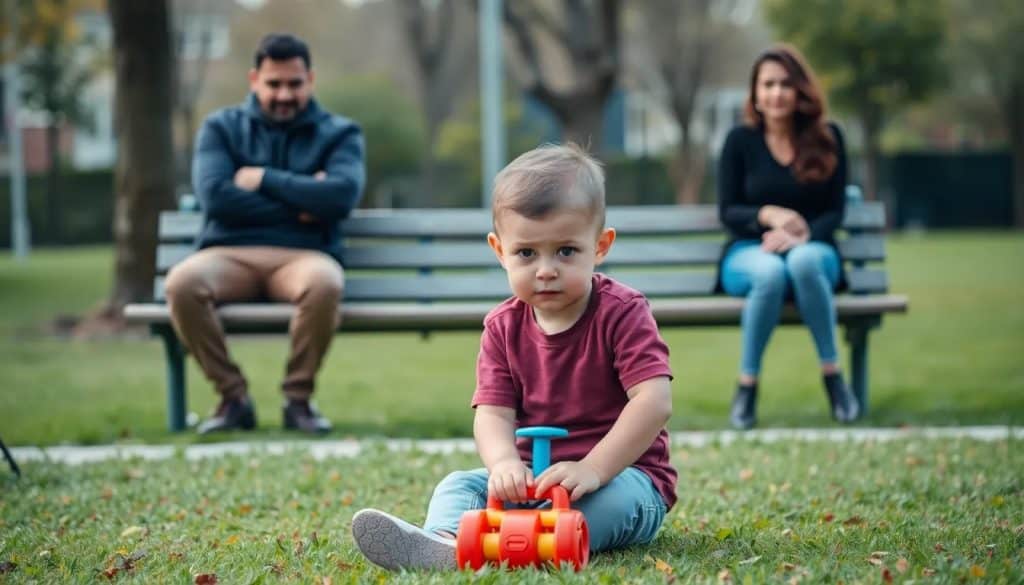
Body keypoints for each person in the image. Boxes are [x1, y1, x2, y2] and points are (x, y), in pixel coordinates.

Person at [350, 144, 676, 571]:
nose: (545, 269)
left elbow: (653, 402)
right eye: (526, 253)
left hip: (622, 475)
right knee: (460, 484)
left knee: (607, 506)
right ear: (499, 250)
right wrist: (504, 463)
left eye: (566, 251)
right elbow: (493, 413)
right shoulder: (502, 327)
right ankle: (446, 542)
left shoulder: (623, 312)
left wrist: (593, 469)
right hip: (531, 476)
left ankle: (517, 542)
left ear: (600, 246)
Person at [164, 33, 365, 435]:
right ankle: (232, 398)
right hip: (229, 255)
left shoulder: (340, 133)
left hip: (303, 258)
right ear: (254, 79)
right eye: (274, 84)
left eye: (294, 83)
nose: (284, 94)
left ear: (310, 79)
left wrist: (263, 179)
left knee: (325, 282)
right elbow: (217, 198)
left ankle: (298, 400)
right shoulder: (221, 128)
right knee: (182, 283)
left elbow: (340, 197)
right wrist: (306, 198)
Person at [717, 44, 859, 430]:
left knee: (803, 260)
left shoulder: (828, 137)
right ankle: (747, 386)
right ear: (755, 94)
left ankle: (833, 377)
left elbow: (836, 211)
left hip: (814, 251)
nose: (776, 93)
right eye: (767, 85)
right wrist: (768, 214)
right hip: (750, 252)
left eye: (785, 84)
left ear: (800, 92)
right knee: (770, 273)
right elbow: (728, 211)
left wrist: (804, 233)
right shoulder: (739, 141)